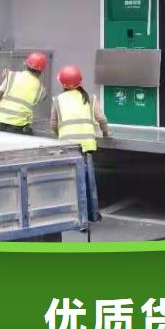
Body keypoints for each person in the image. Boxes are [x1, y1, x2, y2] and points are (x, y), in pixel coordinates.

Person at [50, 65, 110, 224]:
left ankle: (77, 217)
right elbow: (101, 119)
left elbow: (53, 124)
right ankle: (92, 215)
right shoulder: (90, 98)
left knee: (72, 183)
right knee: (88, 181)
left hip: (68, 147)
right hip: (87, 146)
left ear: (62, 83)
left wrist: (60, 136)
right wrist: (106, 133)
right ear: (80, 82)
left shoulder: (57, 100)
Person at [0, 52, 48, 135]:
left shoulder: (11, 75)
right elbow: (43, 97)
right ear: (41, 71)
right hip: (18, 125)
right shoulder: (41, 88)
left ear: (26, 64)